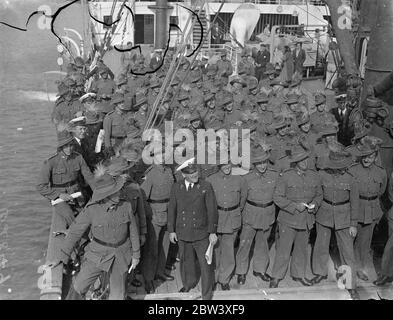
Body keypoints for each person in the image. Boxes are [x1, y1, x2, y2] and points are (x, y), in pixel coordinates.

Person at [50, 172, 140, 300]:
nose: (120, 193)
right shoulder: (92, 209)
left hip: (121, 255)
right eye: (116, 191)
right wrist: (61, 257)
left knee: (118, 295)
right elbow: (75, 232)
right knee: (79, 286)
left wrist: (136, 255)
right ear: (107, 195)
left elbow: (133, 231)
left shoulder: (126, 206)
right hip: (98, 254)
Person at [311, 150, 360, 300]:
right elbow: (317, 193)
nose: (338, 169)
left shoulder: (351, 179)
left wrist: (353, 224)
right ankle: (320, 273)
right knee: (321, 245)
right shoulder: (322, 175)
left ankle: (350, 284)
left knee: (347, 251)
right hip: (324, 213)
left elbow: (355, 203)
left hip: (344, 216)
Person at [270, 150, 322, 288]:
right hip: (288, 219)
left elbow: (319, 195)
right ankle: (276, 276)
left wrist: (314, 205)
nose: (304, 163)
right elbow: (278, 197)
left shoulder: (314, 176)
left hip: (306, 219)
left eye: (306, 160)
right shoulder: (286, 177)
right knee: (283, 250)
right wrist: (293, 206)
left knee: (301, 249)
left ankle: (299, 274)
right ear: (295, 163)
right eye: (301, 161)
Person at [167, 158, 218, 300]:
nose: (195, 174)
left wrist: (212, 232)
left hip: (201, 234)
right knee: (186, 262)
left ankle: (206, 294)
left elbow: (212, 210)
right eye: (191, 173)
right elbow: (172, 209)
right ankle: (188, 284)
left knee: (206, 265)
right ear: (184, 174)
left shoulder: (205, 186)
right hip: (183, 232)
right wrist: (171, 230)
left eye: (196, 171)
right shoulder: (177, 187)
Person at [37, 130, 95, 231]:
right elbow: (41, 186)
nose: (69, 148)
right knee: (69, 215)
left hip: (76, 193)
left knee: (86, 213)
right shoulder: (51, 162)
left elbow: (89, 177)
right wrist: (59, 195)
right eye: (66, 146)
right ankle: (80, 240)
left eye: (71, 145)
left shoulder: (78, 157)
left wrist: (97, 193)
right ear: (61, 147)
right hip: (59, 197)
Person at [235, 149, 279, 285]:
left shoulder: (274, 176)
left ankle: (259, 270)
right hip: (250, 214)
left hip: (268, 213)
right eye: (259, 163)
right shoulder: (246, 178)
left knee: (263, 244)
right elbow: (241, 199)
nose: (262, 166)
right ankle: (241, 272)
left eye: (264, 162)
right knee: (245, 244)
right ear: (254, 164)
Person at [348, 142, 387, 281]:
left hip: (371, 209)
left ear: (376, 157)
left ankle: (359, 268)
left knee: (364, 242)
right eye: (364, 156)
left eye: (370, 156)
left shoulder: (381, 172)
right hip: (354, 207)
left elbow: (381, 191)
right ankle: (347, 268)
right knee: (348, 241)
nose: (366, 159)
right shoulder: (352, 170)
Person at [206, 159, 247, 290]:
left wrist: (234, 211)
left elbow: (243, 199)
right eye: (224, 165)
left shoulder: (239, 179)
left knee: (229, 251)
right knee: (215, 250)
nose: (227, 167)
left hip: (232, 218)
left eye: (228, 164)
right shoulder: (210, 180)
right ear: (219, 166)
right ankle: (214, 278)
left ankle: (224, 279)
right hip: (216, 218)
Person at [141, 151, 175, 284]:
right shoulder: (151, 174)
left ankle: (160, 272)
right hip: (155, 214)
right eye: (159, 154)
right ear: (153, 157)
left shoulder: (168, 171)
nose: (162, 157)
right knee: (152, 248)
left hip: (169, 212)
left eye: (164, 153)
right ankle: (148, 277)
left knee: (165, 245)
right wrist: (150, 214)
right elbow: (143, 197)